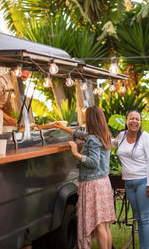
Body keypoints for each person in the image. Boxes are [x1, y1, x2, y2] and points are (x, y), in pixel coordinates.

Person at [52, 106, 116, 249]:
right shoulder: (104, 135)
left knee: (99, 226)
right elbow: (83, 135)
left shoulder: (93, 139)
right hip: (103, 183)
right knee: (105, 225)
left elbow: (93, 162)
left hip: (93, 184)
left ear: (90, 120)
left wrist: (76, 153)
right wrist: (65, 129)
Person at [112, 110, 149, 249]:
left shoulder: (145, 137)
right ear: (126, 121)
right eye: (132, 118)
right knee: (138, 218)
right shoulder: (121, 136)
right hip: (129, 183)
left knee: (145, 218)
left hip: (144, 182)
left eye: (137, 119)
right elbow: (111, 143)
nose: (134, 121)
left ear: (140, 122)